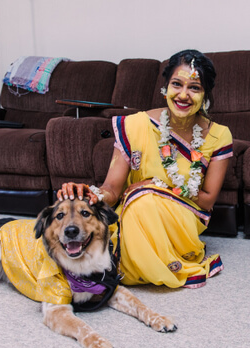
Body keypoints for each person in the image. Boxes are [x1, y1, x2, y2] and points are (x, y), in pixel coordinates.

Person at [57, 49, 233, 289]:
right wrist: (92, 194)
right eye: (176, 84)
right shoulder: (136, 124)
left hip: (186, 216)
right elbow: (112, 188)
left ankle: (130, 263)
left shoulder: (219, 135)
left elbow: (207, 201)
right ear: (165, 88)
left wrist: (155, 186)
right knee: (142, 201)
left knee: (144, 198)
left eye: (194, 87)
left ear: (206, 95)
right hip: (136, 208)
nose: (183, 95)